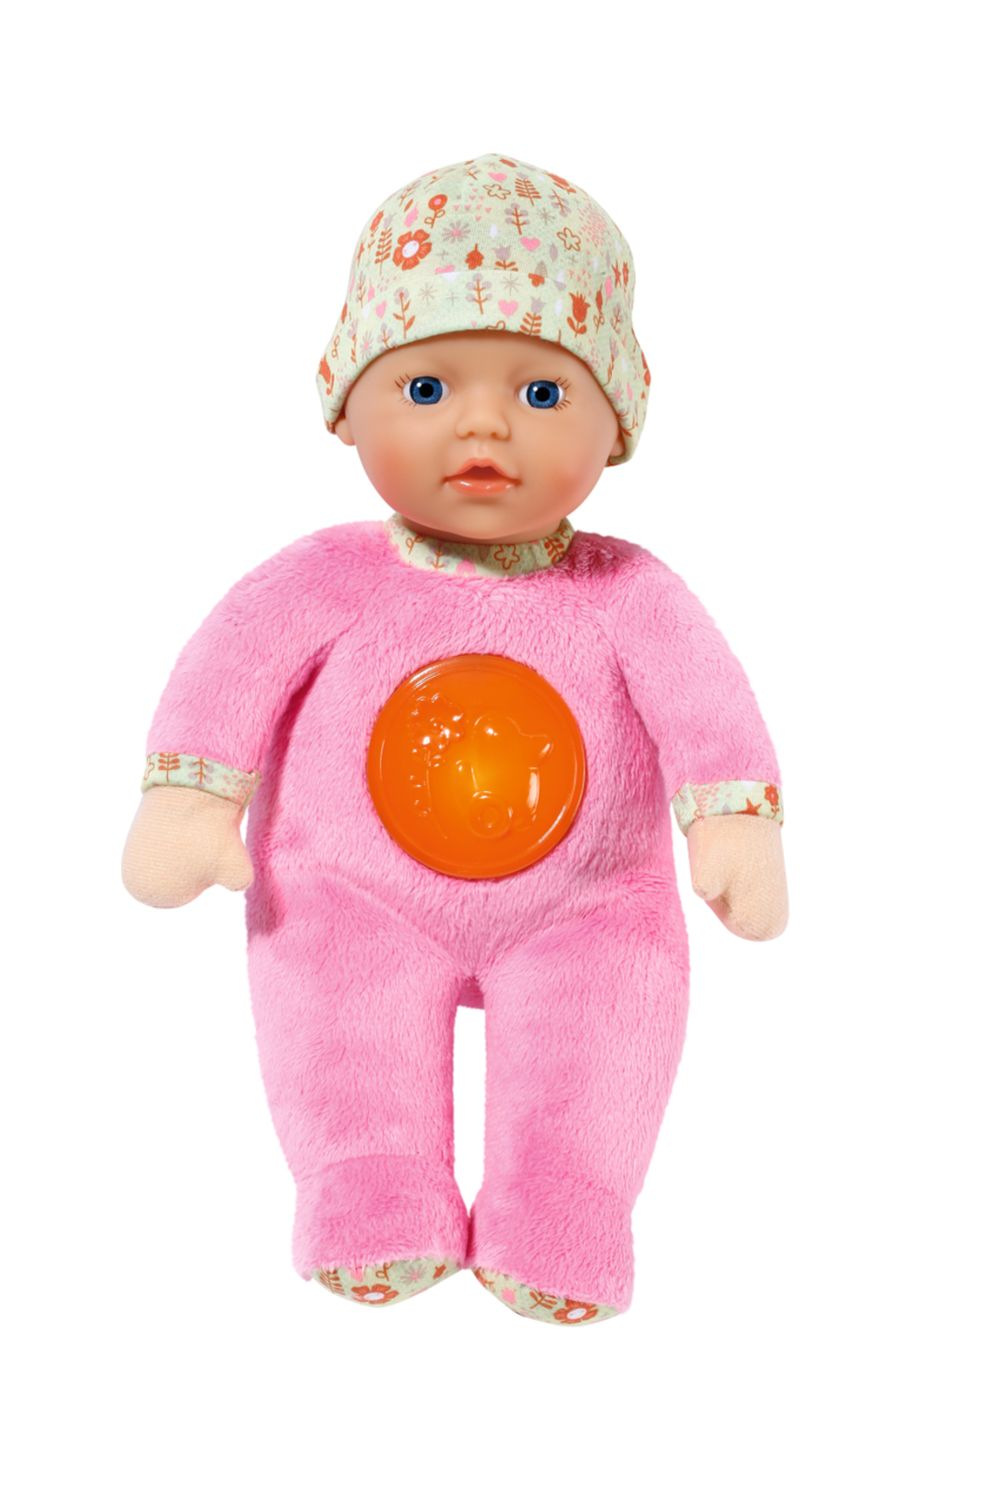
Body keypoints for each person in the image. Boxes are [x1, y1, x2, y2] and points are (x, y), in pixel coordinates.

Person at [122, 151, 788, 1324]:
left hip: (584, 899)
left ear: (616, 423)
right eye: (428, 387)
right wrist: (191, 799)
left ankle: (565, 1207)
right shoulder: (322, 578)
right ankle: (367, 1187)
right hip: (355, 891)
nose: (484, 423)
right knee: (338, 1008)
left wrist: (733, 816)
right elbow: (232, 667)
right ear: (348, 405)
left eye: (542, 393)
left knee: (603, 1026)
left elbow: (705, 702)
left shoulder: (629, 592)